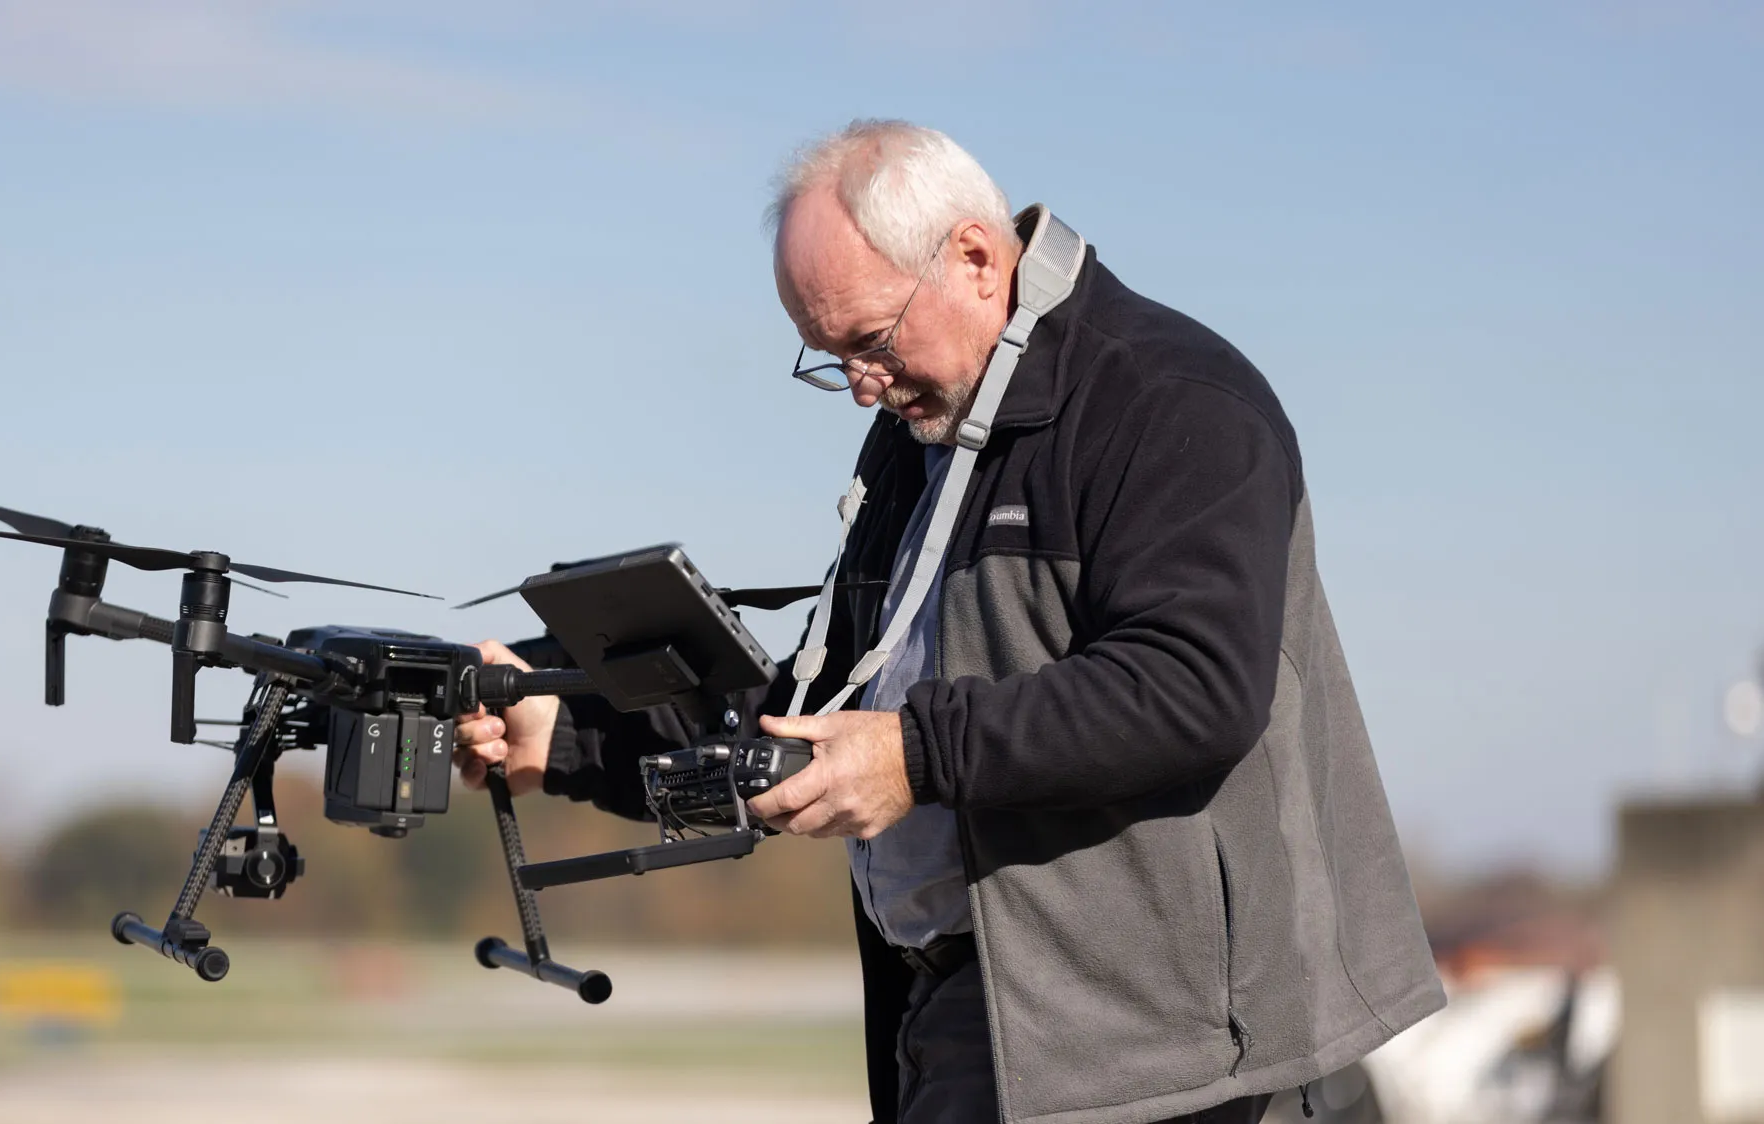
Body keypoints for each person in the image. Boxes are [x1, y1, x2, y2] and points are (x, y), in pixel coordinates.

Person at [455, 119, 1445, 1124]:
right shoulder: (918, 440)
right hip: (966, 1007)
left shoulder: (1169, 400)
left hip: (1165, 1050)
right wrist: (567, 725)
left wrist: (913, 755)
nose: (860, 387)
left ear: (975, 257)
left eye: (871, 342)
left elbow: (1193, 684)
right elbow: (828, 701)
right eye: (828, 356)